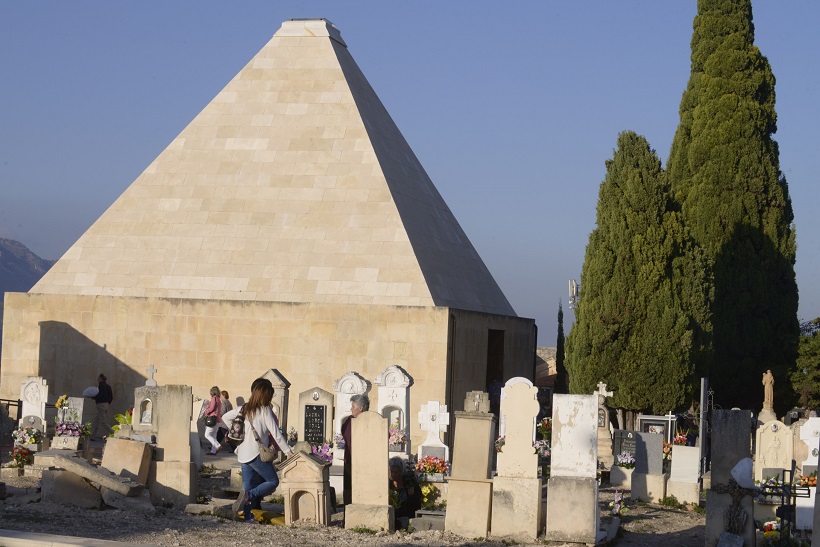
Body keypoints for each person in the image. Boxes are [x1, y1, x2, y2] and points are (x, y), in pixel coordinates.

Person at [222, 378, 293, 523]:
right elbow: (276, 433)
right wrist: (288, 451)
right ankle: (249, 496)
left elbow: (225, 417)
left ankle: (248, 516)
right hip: (256, 453)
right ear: (266, 395)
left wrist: (236, 431)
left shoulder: (244, 408)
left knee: (246, 486)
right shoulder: (264, 410)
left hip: (242, 453)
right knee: (272, 481)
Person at [341, 393, 369, 506]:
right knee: (349, 488)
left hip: (365, 461)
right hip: (350, 459)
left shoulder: (370, 420)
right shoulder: (349, 421)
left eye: (353, 407)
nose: (351, 409)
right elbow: (345, 433)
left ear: (361, 408)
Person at [388, 456, 421, 530]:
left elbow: (417, 502)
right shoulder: (388, 484)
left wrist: (412, 494)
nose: (393, 474)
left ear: (401, 471)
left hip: (407, 515)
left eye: (396, 472)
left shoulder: (409, 483)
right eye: (391, 472)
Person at [91, 373, 113, 441]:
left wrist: (93, 397)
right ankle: (92, 436)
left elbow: (100, 395)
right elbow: (111, 397)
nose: (97, 380)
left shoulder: (101, 386)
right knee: (96, 420)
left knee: (103, 421)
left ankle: (114, 433)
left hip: (101, 404)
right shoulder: (108, 386)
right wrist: (107, 402)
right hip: (106, 404)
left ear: (101, 379)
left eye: (98, 378)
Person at [203, 386, 223, 455]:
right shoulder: (218, 399)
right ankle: (213, 451)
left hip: (212, 419)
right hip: (217, 419)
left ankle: (217, 445)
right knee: (214, 435)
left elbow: (211, 408)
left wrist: (206, 411)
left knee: (207, 435)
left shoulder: (214, 398)